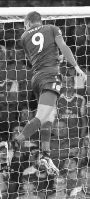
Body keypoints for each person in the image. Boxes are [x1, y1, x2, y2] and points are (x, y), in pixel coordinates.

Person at [14, 11, 87, 176]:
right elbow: (63, 47)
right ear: (40, 21)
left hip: (37, 79)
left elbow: (40, 56)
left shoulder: (24, 37)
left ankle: (46, 155)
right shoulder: (52, 28)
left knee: (50, 116)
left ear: (28, 23)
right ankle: (17, 141)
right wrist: (76, 66)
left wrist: (58, 59)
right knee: (41, 117)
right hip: (50, 77)